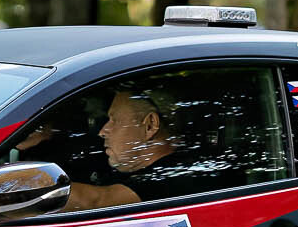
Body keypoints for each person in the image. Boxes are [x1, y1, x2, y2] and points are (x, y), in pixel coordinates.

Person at [61, 84, 201, 211]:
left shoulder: (172, 178)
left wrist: (47, 181)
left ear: (150, 125)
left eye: (114, 120)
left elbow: (94, 203)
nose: (102, 132)